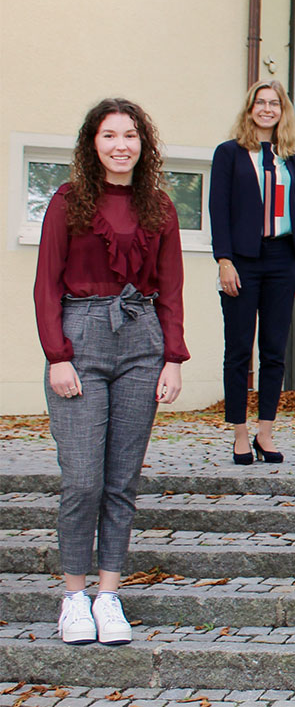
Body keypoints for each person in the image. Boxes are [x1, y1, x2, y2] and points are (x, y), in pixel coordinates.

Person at [34, 98, 188, 645]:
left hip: (141, 340)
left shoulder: (159, 207)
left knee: (121, 481)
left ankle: (108, 594)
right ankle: (73, 596)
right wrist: (57, 355)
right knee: (82, 479)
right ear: (92, 143)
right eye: (109, 135)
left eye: (130, 135)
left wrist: (172, 357)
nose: (121, 144)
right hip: (80, 340)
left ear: (143, 145)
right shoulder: (67, 201)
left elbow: (170, 288)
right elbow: (45, 284)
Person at [209, 79, 295, 465]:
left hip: (282, 260)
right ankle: (239, 433)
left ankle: (265, 432)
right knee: (238, 350)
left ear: (282, 110)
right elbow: (218, 210)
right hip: (242, 261)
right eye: (260, 102)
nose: (267, 109)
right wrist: (224, 260)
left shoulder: (291, 157)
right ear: (250, 108)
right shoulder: (230, 154)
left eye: (274, 103)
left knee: (274, 351)